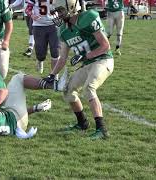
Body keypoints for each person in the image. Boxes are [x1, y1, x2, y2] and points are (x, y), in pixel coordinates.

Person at [45, 0, 114, 140]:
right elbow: (63, 58)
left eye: (59, 10)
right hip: (87, 64)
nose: (57, 14)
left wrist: (86, 55)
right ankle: (82, 123)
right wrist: (52, 75)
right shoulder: (63, 29)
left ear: (70, 7)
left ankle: (102, 129)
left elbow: (105, 46)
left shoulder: (88, 17)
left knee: (89, 88)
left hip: (103, 60)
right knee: (68, 90)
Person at [25, 0, 60, 74]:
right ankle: (40, 60)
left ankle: (54, 74)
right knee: (40, 52)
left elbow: (63, 7)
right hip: (39, 26)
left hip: (54, 25)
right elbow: (28, 9)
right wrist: (32, 15)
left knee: (55, 51)